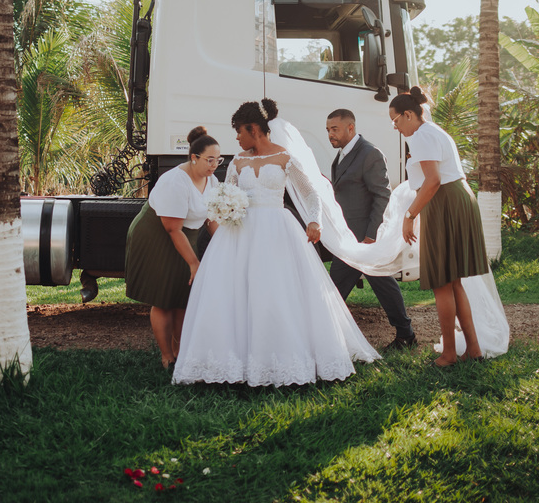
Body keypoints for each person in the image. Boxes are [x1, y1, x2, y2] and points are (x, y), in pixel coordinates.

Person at [173, 99, 379, 386]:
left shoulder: (285, 158)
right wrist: (224, 208)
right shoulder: (238, 161)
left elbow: (310, 194)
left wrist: (314, 221)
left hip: (276, 231)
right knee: (236, 293)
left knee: (276, 291)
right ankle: (234, 360)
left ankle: (282, 358)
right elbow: (227, 193)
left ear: (253, 129)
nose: (237, 138)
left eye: (239, 131)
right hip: (240, 234)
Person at [390, 86, 488, 367]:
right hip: (456, 198)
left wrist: (410, 215)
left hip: (445, 201)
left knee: (441, 282)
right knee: (453, 282)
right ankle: (473, 350)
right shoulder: (433, 131)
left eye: (395, 120)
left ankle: (449, 354)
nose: (395, 127)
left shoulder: (421, 136)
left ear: (409, 115)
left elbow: (432, 180)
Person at [125, 126, 221, 369]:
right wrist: (194, 263)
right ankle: (167, 356)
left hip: (185, 236)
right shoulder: (175, 181)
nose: (214, 165)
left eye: (218, 160)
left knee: (183, 298)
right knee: (164, 298)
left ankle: (181, 352)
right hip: (157, 235)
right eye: (209, 160)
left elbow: (211, 218)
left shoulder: (212, 181)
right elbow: (172, 228)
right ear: (194, 157)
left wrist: (224, 244)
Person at [326, 108, 416, 351]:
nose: (330, 134)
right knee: (341, 287)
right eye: (328, 130)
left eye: (334, 129)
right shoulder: (342, 155)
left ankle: (405, 334)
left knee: (374, 284)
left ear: (350, 128)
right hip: (349, 238)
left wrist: (371, 236)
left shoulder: (369, 153)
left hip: (364, 237)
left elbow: (382, 196)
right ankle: (405, 334)